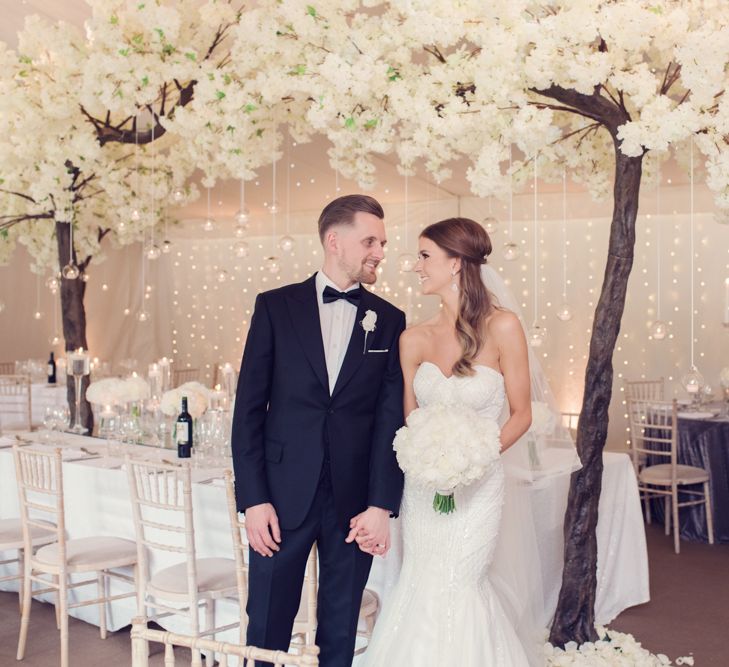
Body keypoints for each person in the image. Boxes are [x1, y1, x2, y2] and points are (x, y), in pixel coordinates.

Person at [231, 194, 406, 667]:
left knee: (340, 628)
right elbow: (247, 411)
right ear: (334, 240)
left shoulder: (390, 321)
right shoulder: (274, 307)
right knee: (266, 624)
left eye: (383, 243)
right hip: (280, 498)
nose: (380, 252)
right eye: (370, 240)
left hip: (354, 505)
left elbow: (392, 420)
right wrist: (253, 499)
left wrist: (381, 505)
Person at [360, 217, 535, 666]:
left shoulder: (504, 327)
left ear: (456, 263)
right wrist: (431, 464)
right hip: (423, 488)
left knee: (460, 581)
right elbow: (410, 419)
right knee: (420, 578)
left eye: (424, 256)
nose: (415, 266)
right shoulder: (411, 338)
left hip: (478, 485)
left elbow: (522, 414)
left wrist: (473, 458)